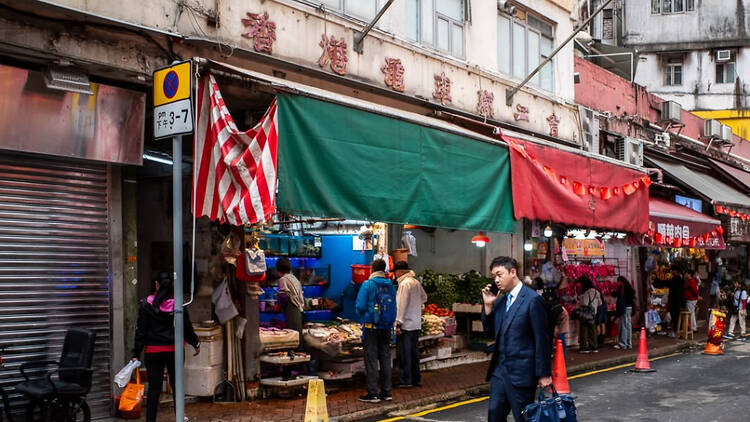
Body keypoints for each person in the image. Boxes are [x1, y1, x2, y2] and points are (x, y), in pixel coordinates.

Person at [481, 256, 551, 422]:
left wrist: (544, 373)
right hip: (499, 371)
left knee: (523, 418)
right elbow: (489, 333)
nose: (496, 280)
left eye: (499, 274)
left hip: (522, 374)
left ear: (513, 272)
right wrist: (488, 306)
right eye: (494, 276)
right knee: (494, 414)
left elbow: (542, 339)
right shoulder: (500, 301)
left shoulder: (533, 300)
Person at [132, 271, 200, 422]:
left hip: (153, 352)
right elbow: (186, 327)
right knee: (177, 387)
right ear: (171, 285)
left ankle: (150, 420)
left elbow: (140, 331)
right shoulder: (178, 304)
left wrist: (136, 352)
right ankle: (179, 417)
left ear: (156, 284)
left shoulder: (145, 304)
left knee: (154, 390)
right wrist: (195, 343)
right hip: (174, 351)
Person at [356, 259, 398, 403]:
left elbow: (360, 306)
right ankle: (387, 392)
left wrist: (363, 316)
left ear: (372, 269)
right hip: (386, 327)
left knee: (372, 360)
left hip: (371, 327)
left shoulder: (368, 284)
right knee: (385, 359)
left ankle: (373, 393)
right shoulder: (390, 285)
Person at [393, 261, 427, 388]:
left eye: (395, 272)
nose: (395, 275)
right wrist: (416, 305)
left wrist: (398, 323)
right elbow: (424, 297)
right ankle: (416, 379)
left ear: (400, 272)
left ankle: (405, 381)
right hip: (416, 324)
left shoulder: (404, 284)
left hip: (406, 325)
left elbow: (401, 305)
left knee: (404, 354)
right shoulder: (415, 282)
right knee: (414, 353)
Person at [276, 257, 305, 348]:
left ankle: (296, 357)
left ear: (278, 269)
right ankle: (301, 356)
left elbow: (283, 295)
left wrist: (278, 305)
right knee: (298, 335)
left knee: (293, 336)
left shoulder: (283, 279)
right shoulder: (295, 279)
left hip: (292, 309)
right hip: (300, 310)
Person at [578, 276, 601, 353]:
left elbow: (585, 303)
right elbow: (600, 303)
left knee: (584, 330)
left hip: (586, 314)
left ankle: (584, 347)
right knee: (592, 331)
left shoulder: (587, 292)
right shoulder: (596, 291)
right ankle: (594, 347)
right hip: (593, 313)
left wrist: (580, 299)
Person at [614, 276, 635, 350]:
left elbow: (618, 296)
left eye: (618, 282)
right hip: (629, 308)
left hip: (624, 308)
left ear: (620, 281)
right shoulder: (629, 287)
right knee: (628, 326)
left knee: (623, 326)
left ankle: (623, 344)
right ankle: (629, 344)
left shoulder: (622, 287)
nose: (617, 283)